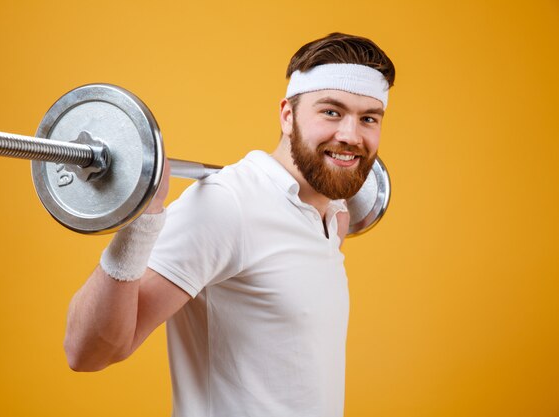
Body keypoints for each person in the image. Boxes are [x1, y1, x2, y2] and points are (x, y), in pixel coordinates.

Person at [64, 32, 395, 417]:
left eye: (368, 118)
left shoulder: (331, 216)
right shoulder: (226, 205)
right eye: (331, 112)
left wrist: (334, 206)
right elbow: (88, 351)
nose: (351, 136)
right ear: (288, 116)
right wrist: (143, 220)